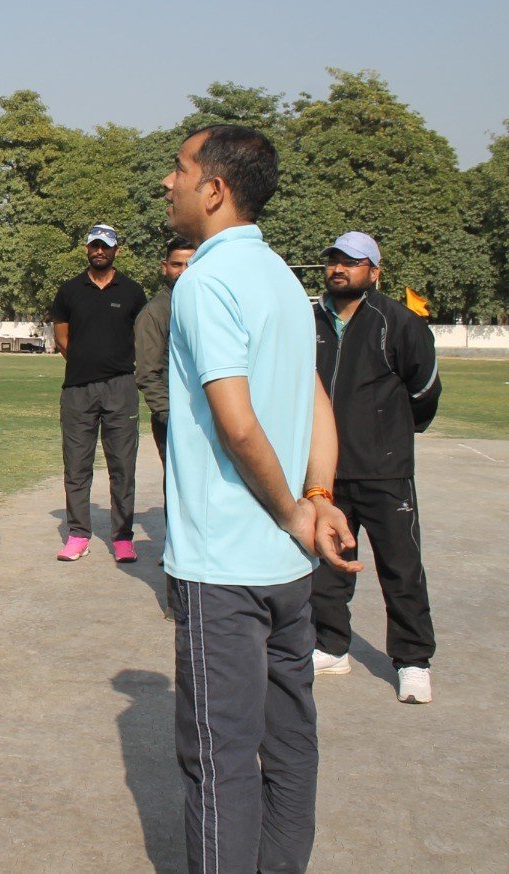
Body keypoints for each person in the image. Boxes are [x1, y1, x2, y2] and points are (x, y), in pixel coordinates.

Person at [161, 124, 361, 874]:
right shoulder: (280, 275)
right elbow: (314, 398)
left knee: (220, 760)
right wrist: (319, 495)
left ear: (214, 189)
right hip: (286, 571)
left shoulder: (206, 281)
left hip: (226, 568)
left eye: (180, 169)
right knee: (290, 745)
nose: (168, 183)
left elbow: (237, 422)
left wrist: (290, 508)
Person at [310, 231, 443, 704]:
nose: (339, 269)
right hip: (325, 469)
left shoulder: (398, 321)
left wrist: (392, 433)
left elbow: (425, 389)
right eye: (333, 260)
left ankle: (413, 660)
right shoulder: (310, 319)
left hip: (384, 470)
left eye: (351, 261)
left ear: (374, 272)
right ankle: (331, 646)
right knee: (328, 565)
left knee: (400, 567)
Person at [50, 223, 148, 563]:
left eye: (106, 246)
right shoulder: (69, 291)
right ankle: (78, 534)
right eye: (95, 245)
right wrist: (86, 362)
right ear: (87, 249)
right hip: (78, 389)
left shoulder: (133, 292)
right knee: (77, 466)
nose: (100, 251)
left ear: (116, 250)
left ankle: (122, 537)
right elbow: (62, 338)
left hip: (121, 387)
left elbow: (141, 337)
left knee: (123, 466)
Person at [133, 236, 196, 467]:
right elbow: (147, 373)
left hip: (206, 415)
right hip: (174, 418)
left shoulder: (204, 304)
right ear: (165, 267)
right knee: (176, 482)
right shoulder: (156, 312)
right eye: (177, 265)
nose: (184, 271)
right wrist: (170, 416)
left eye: (190, 264)